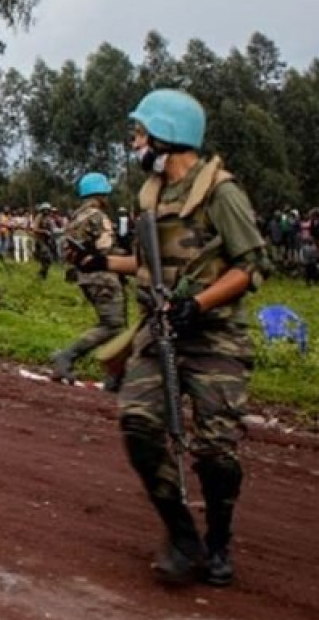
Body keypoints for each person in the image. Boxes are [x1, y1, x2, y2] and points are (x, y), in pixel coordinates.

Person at [74, 88, 266, 587]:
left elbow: (250, 268)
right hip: (158, 332)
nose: (135, 142)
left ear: (167, 137)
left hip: (213, 339)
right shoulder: (150, 195)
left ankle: (219, 541)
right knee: (137, 421)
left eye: (140, 134)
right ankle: (182, 534)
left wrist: (195, 305)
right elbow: (147, 263)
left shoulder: (221, 193)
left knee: (215, 450)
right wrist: (103, 262)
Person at [49, 174, 125, 385]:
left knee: (111, 324)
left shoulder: (76, 218)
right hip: (103, 276)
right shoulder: (98, 217)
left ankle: (117, 375)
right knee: (114, 326)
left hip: (85, 276)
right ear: (100, 195)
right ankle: (67, 356)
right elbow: (106, 249)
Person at [33, 203, 61, 279]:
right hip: (40, 240)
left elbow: (53, 228)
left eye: (48, 210)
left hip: (47, 241)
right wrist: (44, 231)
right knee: (46, 257)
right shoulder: (39, 217)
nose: (48, 211)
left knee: (49, 260)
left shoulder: (48, 218)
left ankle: (42, 275)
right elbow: (34, 229)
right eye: (46, 210)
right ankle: (41, 275)